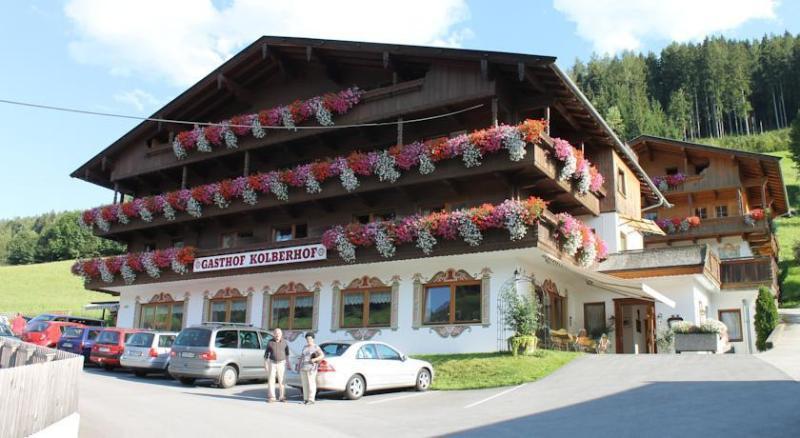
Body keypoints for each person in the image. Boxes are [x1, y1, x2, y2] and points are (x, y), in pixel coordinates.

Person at [264, 328, 290, 403]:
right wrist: (265, 363)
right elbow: (266, 354)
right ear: (274, 334)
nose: (277, 335)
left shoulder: (284, 342)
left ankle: (282, 397)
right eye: (276, 333)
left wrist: (288, 363)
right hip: (272, 363)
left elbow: (287, 354)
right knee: (271, 380)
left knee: (282, 381)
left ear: (281, 334)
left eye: (279, 333)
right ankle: (272, 397)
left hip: (281, 363)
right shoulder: (270, 342)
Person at [298, 332, 324, 405]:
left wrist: (314, 360)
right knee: (305, 384)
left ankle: (311, 399)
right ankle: (306, 399)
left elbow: (322, 355)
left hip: (311, 368)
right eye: (307, 339)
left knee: (311, 383)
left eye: (309, 339)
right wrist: (299, 365)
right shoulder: (305, 347)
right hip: (303, 367)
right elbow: (302, 356)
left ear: (313, 339)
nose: (308, 340)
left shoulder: (316, 347)